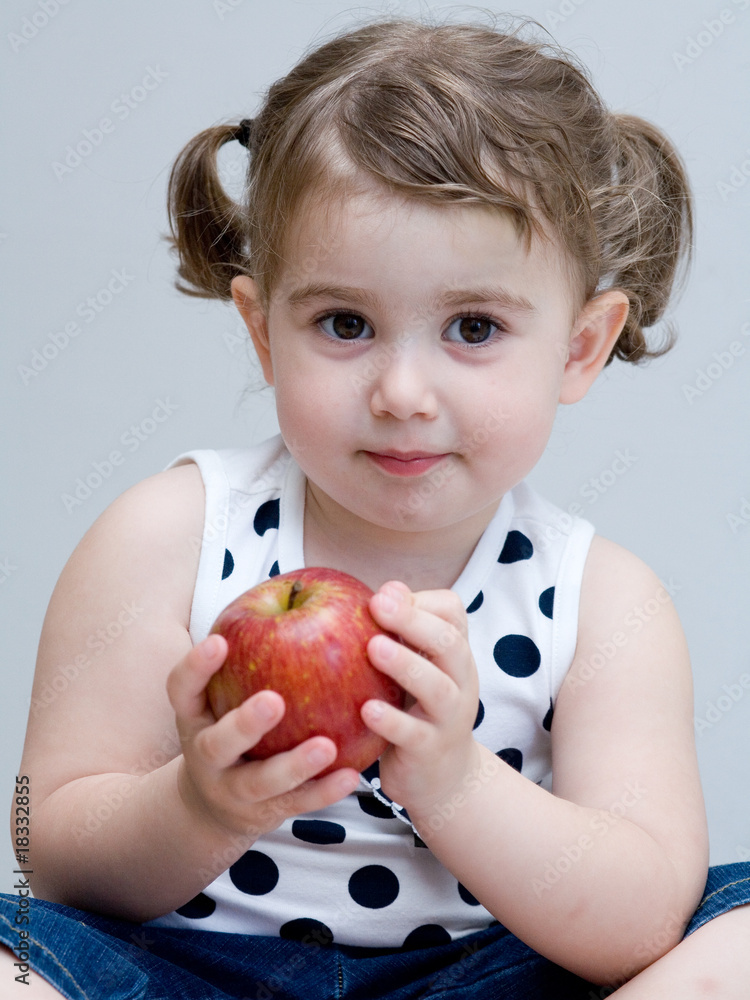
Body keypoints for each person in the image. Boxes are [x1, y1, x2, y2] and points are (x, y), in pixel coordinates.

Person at [2, 15, 749, 999]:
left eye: (473, 327)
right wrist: (197, 803)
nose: (402, 390)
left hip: (473, 979)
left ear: (580, 348)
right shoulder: (170, 535)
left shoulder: (602, 600)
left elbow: (638, 913)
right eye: (344, 323)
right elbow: (49, 850)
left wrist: (457, 782)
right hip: (183, 975)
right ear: (262, 329)